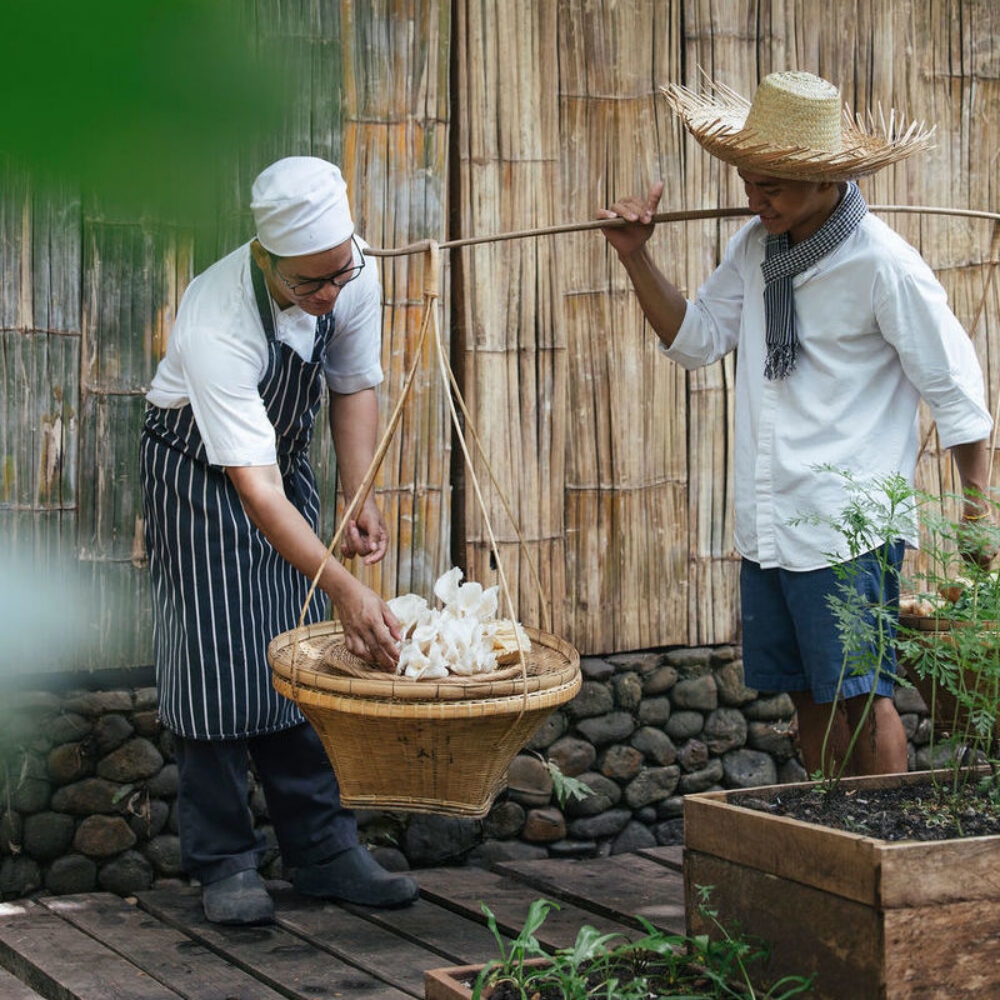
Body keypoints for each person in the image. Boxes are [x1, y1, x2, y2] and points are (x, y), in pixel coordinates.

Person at [598, 71, 993, 777]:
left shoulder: (883, 265)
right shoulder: (757, 250)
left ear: (825, 180)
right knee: (808, 699)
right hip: (772, 522)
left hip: (848, 524)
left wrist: (976, 509)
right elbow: (695, 339)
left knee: (859, 696)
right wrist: (637, 257)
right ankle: (834, 845)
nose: (756, 199)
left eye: (773, 185)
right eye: (750, 182)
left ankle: (884, 855)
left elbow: (957, 391)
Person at [140, 156, 418, 924]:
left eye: (339, 274)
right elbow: (253, 487)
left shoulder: (348, 271)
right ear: (266, 260)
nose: (330, 293)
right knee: (217, 659)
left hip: (278, 459)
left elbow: (353, 383)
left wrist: (356, 493)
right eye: (309, 284)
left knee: (298, 651)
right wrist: (345, 583)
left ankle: (325, 852)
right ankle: (225, 860)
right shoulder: (214, 322)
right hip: (198, 472)